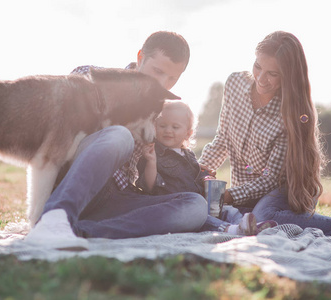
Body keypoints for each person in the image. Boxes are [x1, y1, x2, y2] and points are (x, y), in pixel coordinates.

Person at [198, 31, 331, 242]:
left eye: (272, 73)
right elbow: (223, 138)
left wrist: (229, 196)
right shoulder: (234, 83)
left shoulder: (290, 113)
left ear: (288, 75)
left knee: (262, 216)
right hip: (247, 191)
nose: (260, 78)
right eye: (258, 66)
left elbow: (271, 180)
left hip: (284, 189)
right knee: (239, 218)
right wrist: (198, 170)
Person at [25, 31, 208, 250]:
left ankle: (81, 231)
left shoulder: (160, 112)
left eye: (172, 78)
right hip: (74, 182)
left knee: (196, 206)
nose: (163, 83)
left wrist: (192, 170)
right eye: (157, 71)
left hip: (116, 198)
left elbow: (156, 169)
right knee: (119, 135)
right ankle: (57, 216)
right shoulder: (91, 76)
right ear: (140, 58)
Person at [136, 100, 277, 236]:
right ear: (154, 126)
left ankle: (247, 224)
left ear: (188, 133)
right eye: (162, 125)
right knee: (203, 218)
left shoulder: (188, 154)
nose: (168, 130)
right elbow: (149, 187)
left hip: (201, 202)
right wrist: (151, 162)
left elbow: (195, 175)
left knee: (227, 210)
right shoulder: (152, 153)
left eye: (175, 127)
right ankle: (231, 230)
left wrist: (205, 178)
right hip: (179, 208)